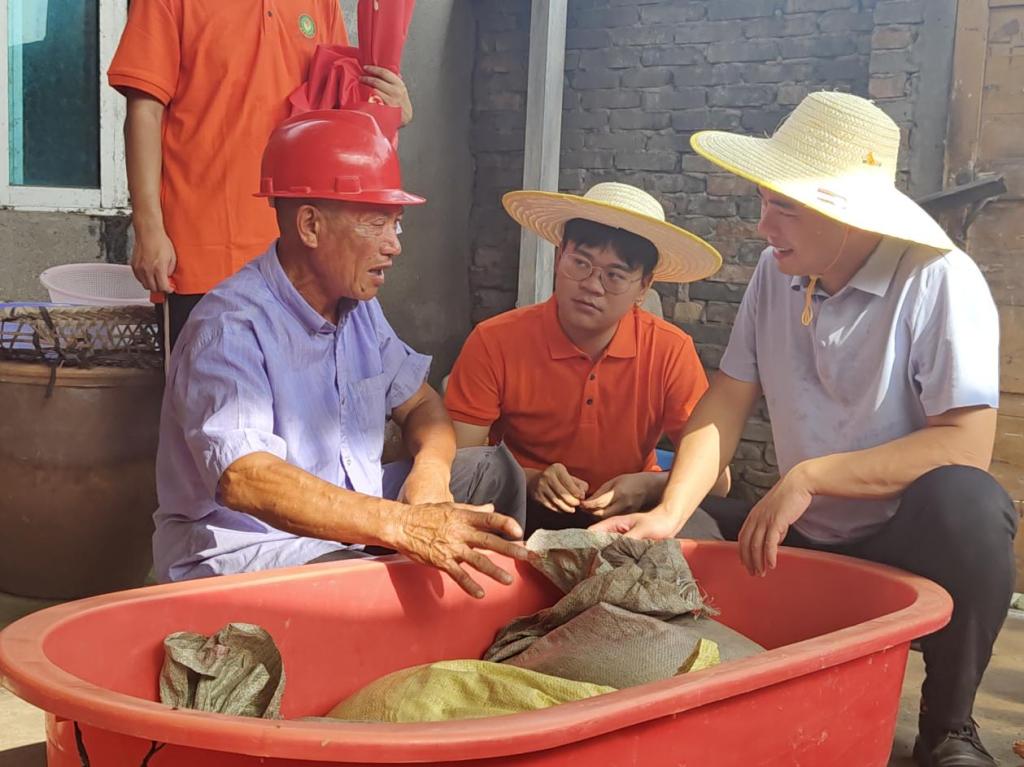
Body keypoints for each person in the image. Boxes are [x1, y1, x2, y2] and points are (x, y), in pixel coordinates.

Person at [593, 91, 1018, 767]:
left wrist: (812, 477)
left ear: (846, 210)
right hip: (800, 537)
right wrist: (669, 510)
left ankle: (948, 725)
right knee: (670, 532)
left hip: (900, 538)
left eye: (784, 207)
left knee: (972, 504)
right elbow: (727, 399)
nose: (764, 224)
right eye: (764, 201)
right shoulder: (776, 273)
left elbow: (965, 444)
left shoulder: (938, 280)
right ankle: (720, 695)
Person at [153, 110, 527, 599]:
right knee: (372, 584)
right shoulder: (230, 327)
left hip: (355, 520)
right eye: (377, 223)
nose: (394, 246)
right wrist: (403, 525)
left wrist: (431, 476)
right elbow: (245, 479)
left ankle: (471, 614)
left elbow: (421, 403)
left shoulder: (357, 308)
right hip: (254, 553)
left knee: (492, 472)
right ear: (310, 225)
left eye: (397, 224)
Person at [108, 1, 413, 347]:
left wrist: (387, 111)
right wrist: (148, 229)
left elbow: (335, 114)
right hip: (203, 254)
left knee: (309, 382)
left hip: (305, 258)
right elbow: (145, 111)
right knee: (207, 380)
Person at [444, 182, 728, 538]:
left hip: (631, 512)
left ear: (643, 287)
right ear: (559, 257)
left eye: (615, 276)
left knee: (706, 534)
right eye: (580, 263)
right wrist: (530, 479)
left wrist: (648, 485)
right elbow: (458, 464)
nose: (593, 285)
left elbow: (718, 481)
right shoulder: (495, 340)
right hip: (522, 508)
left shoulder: (670, 350)